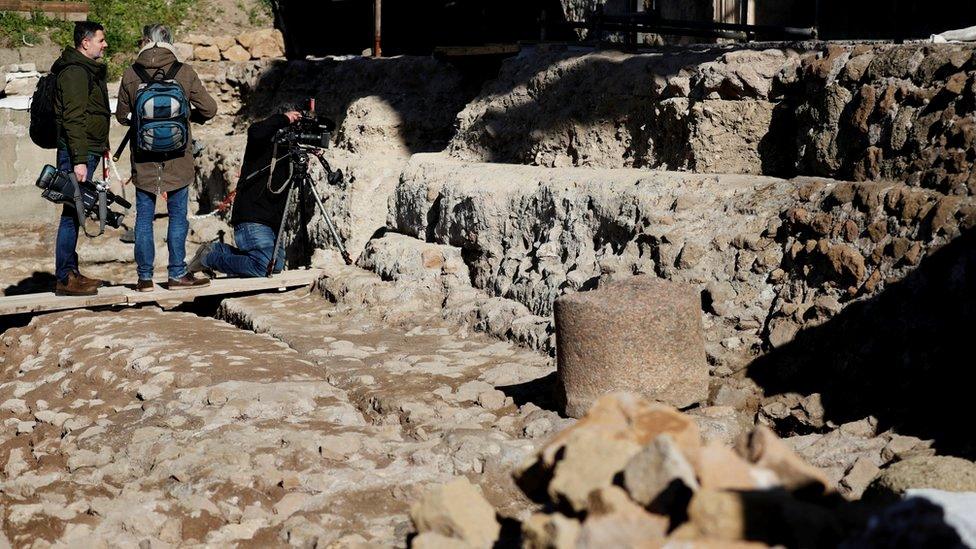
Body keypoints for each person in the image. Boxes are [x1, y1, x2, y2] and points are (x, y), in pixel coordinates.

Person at [115, 24, 217, 291]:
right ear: (170, 42)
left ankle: (145, 278)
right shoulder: (184, 72)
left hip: (143, 159)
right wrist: (186, 117)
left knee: (144, 218)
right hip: (178, 158)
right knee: (178, 216)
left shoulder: (130, 73)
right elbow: (210, 109)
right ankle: (176, 275)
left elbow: (121, 116)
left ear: (145, 42)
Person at [186, 110, 302, 278]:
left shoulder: (289, 153)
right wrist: (284, 118)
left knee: (275, 265)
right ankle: (209, 258)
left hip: (272, 221)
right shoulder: (262, 143)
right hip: (253, 215)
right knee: (264, 266)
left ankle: (217, 249)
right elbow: (255, 130)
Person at [51, 21, 110, 296]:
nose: (105, 44)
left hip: (88, 149)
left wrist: (103, 145)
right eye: (101, 39)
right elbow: (74, 119)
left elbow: (94, 113)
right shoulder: (75, 72)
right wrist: (79, 159)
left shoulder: (86, 70)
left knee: (75, 212)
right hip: (78, 153)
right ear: (85, 43)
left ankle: (71, 271)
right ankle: (64, 277)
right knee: (71, 213)